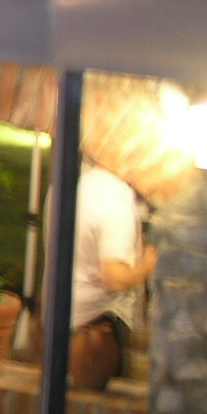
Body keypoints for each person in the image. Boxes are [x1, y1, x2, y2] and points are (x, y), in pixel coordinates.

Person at [72, 160, 156, 383]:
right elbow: (116, 279)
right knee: (99, 402)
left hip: (66, 319)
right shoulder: (115, 207)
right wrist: (148, 264)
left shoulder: (78, 186)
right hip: (99, 335)